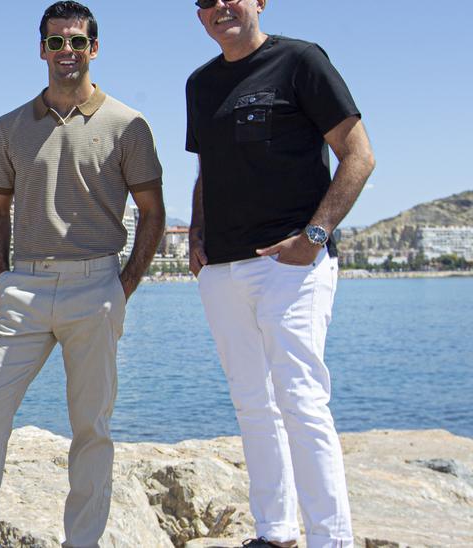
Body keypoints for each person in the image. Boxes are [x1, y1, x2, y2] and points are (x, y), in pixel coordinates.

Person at [0, 3, 165, 546]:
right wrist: (1, 280)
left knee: (91, 428)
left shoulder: (128, 125)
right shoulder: (10, 127)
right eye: (55, 42)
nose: (65, 52)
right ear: (40, 49)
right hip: (23, 288)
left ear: (94, 48)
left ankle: (83, 541)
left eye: (75, 42)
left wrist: (125, 285)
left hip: (97, 287)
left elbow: (153, 212)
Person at [186, 1, 375, 547]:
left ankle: (331, 539)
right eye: (206, 0)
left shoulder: (301, 61)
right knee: (251, 402)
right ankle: (276, 532)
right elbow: (206, 168)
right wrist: (197, 235)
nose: (221, 6)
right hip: (222, 268)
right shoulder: (200, 84)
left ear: (259, 1)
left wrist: (314, 236)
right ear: (199, 16)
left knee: (301, 400)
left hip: (292, 264)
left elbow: (358, 155)